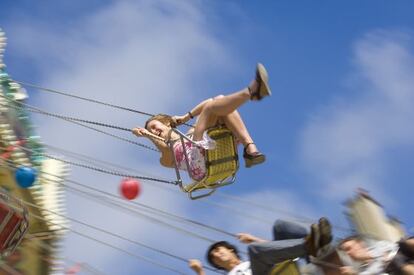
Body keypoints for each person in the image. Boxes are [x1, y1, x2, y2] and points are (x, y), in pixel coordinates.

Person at [132, 63, 271, 180]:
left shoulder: (191, 134)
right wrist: (147, 135)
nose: (154, 131)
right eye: (151, 131)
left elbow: (209, 102)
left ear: (166, 123)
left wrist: (186, 117)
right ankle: (252, 92)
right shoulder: (165, 160)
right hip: (199, 166)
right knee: (212, 108)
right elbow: (166, 149)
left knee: (218, 100)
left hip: (212, 151)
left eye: (154, 127)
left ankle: (250, 149)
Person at [188, 218, 333, 275]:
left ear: (230, 249)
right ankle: (312, 245)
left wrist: (253, 239)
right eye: (214, 258)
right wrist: (199, 271)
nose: (217, 255)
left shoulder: (252, 261)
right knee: (255, 250)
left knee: (279, 226)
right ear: (217, 265)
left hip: (277, 267)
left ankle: (319, 243)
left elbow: (279, 248)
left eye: (219, 250)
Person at [336, 236, 414, 275]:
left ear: (360, 244)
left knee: (404, 242)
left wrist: (371, 256)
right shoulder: (363, 270)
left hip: (406, 256)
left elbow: (394, 248)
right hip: (397, 269)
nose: (348, 253)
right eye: (345, 252)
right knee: (395, 262)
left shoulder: (379, 245)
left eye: (349, 248)